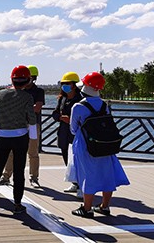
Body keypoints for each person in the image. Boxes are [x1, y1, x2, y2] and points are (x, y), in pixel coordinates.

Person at [70, 72, 130, 218]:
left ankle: (87, 208)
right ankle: (104, 206)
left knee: (87, 175)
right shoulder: (104, 105)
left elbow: (73, 128)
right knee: (106, 175)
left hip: (86, 145)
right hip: (106, 145)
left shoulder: (78, 106)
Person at [0, 65, 37, 214]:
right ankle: (17, 204)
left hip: (2, 136)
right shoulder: (27, 97)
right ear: (27, 81)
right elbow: (32, 118)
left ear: (12, 79)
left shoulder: (0, 94)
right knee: (18, 171)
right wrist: (33, 135)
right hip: (20, 137)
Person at [0, 65, 44, 188]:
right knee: (11, 152)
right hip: (16, 125)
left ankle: (34, 177)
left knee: (33, 152)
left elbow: (37, 108)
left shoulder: (39, 91)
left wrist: (20, 109)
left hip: (32, 125)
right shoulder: (15, 90)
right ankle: (6, 176)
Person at [51, 72, 83, 196]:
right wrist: (60, 117)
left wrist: (70, 119)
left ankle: (82, 185)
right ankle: (74, 182)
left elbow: (82, 117)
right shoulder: (62, 98)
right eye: (63, 84)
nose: (64, 86)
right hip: (64, 132)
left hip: (76, 133)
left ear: (74, 85)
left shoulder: (80, 99)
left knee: (77, 158)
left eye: (67, 84)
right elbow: (55, 114)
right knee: (66, 156)